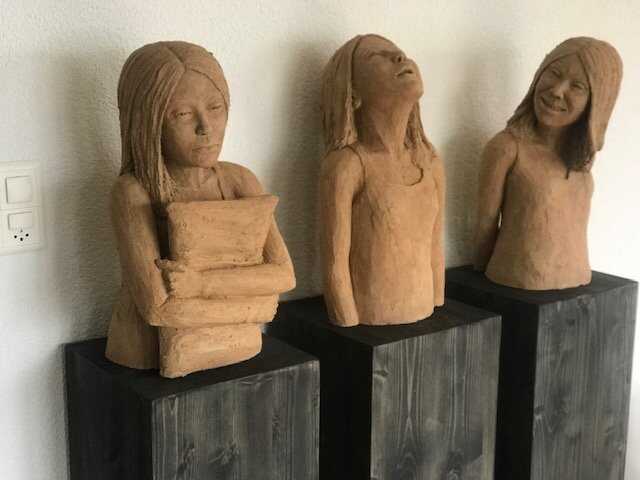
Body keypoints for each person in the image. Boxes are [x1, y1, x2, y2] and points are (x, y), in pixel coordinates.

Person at [106, 41, 295, 377]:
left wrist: (200, 285)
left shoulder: (239, 180)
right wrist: (257, 304)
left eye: (215, 107)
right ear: (148, 122)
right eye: (182, 114)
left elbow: (283, 275)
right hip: (147, 350)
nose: (205, 127)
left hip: (232, 345)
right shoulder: (133, 191)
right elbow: (159, 308)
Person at [473, 37, 623, 290]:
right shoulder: (507, 148)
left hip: (578, 277)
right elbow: (484, 225)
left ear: (597, 102)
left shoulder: (580, 162)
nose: (557, 91)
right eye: (554, 73)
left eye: (577, 86)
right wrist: (481, 271)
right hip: (515, 277)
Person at [319, 34, 445, 327]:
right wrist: (347, 318)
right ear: (352, 92)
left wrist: (437, 299)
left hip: (425, 309)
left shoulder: (430, 161)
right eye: (378, 56)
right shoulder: (348, 166)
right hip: (369, 315)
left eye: (399, 52)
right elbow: (335, 260)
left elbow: (435, 245)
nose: (400, 58)